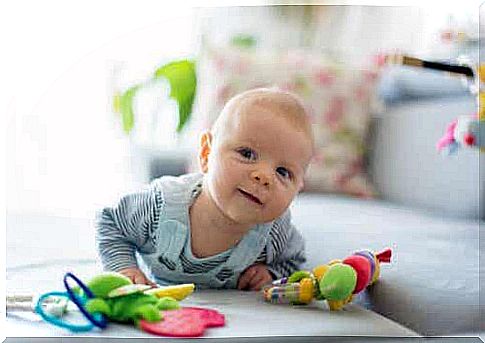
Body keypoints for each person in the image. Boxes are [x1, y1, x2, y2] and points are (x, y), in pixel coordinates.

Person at [96, 87, 314, 291]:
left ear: (297, 189)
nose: (264, 177)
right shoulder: (159, 206)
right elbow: (111, 221)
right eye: (247, 154)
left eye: (283, 172)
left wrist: (270, 273)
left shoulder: (274, 233)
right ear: (206, 153)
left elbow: (294, 260)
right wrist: (123, 267)